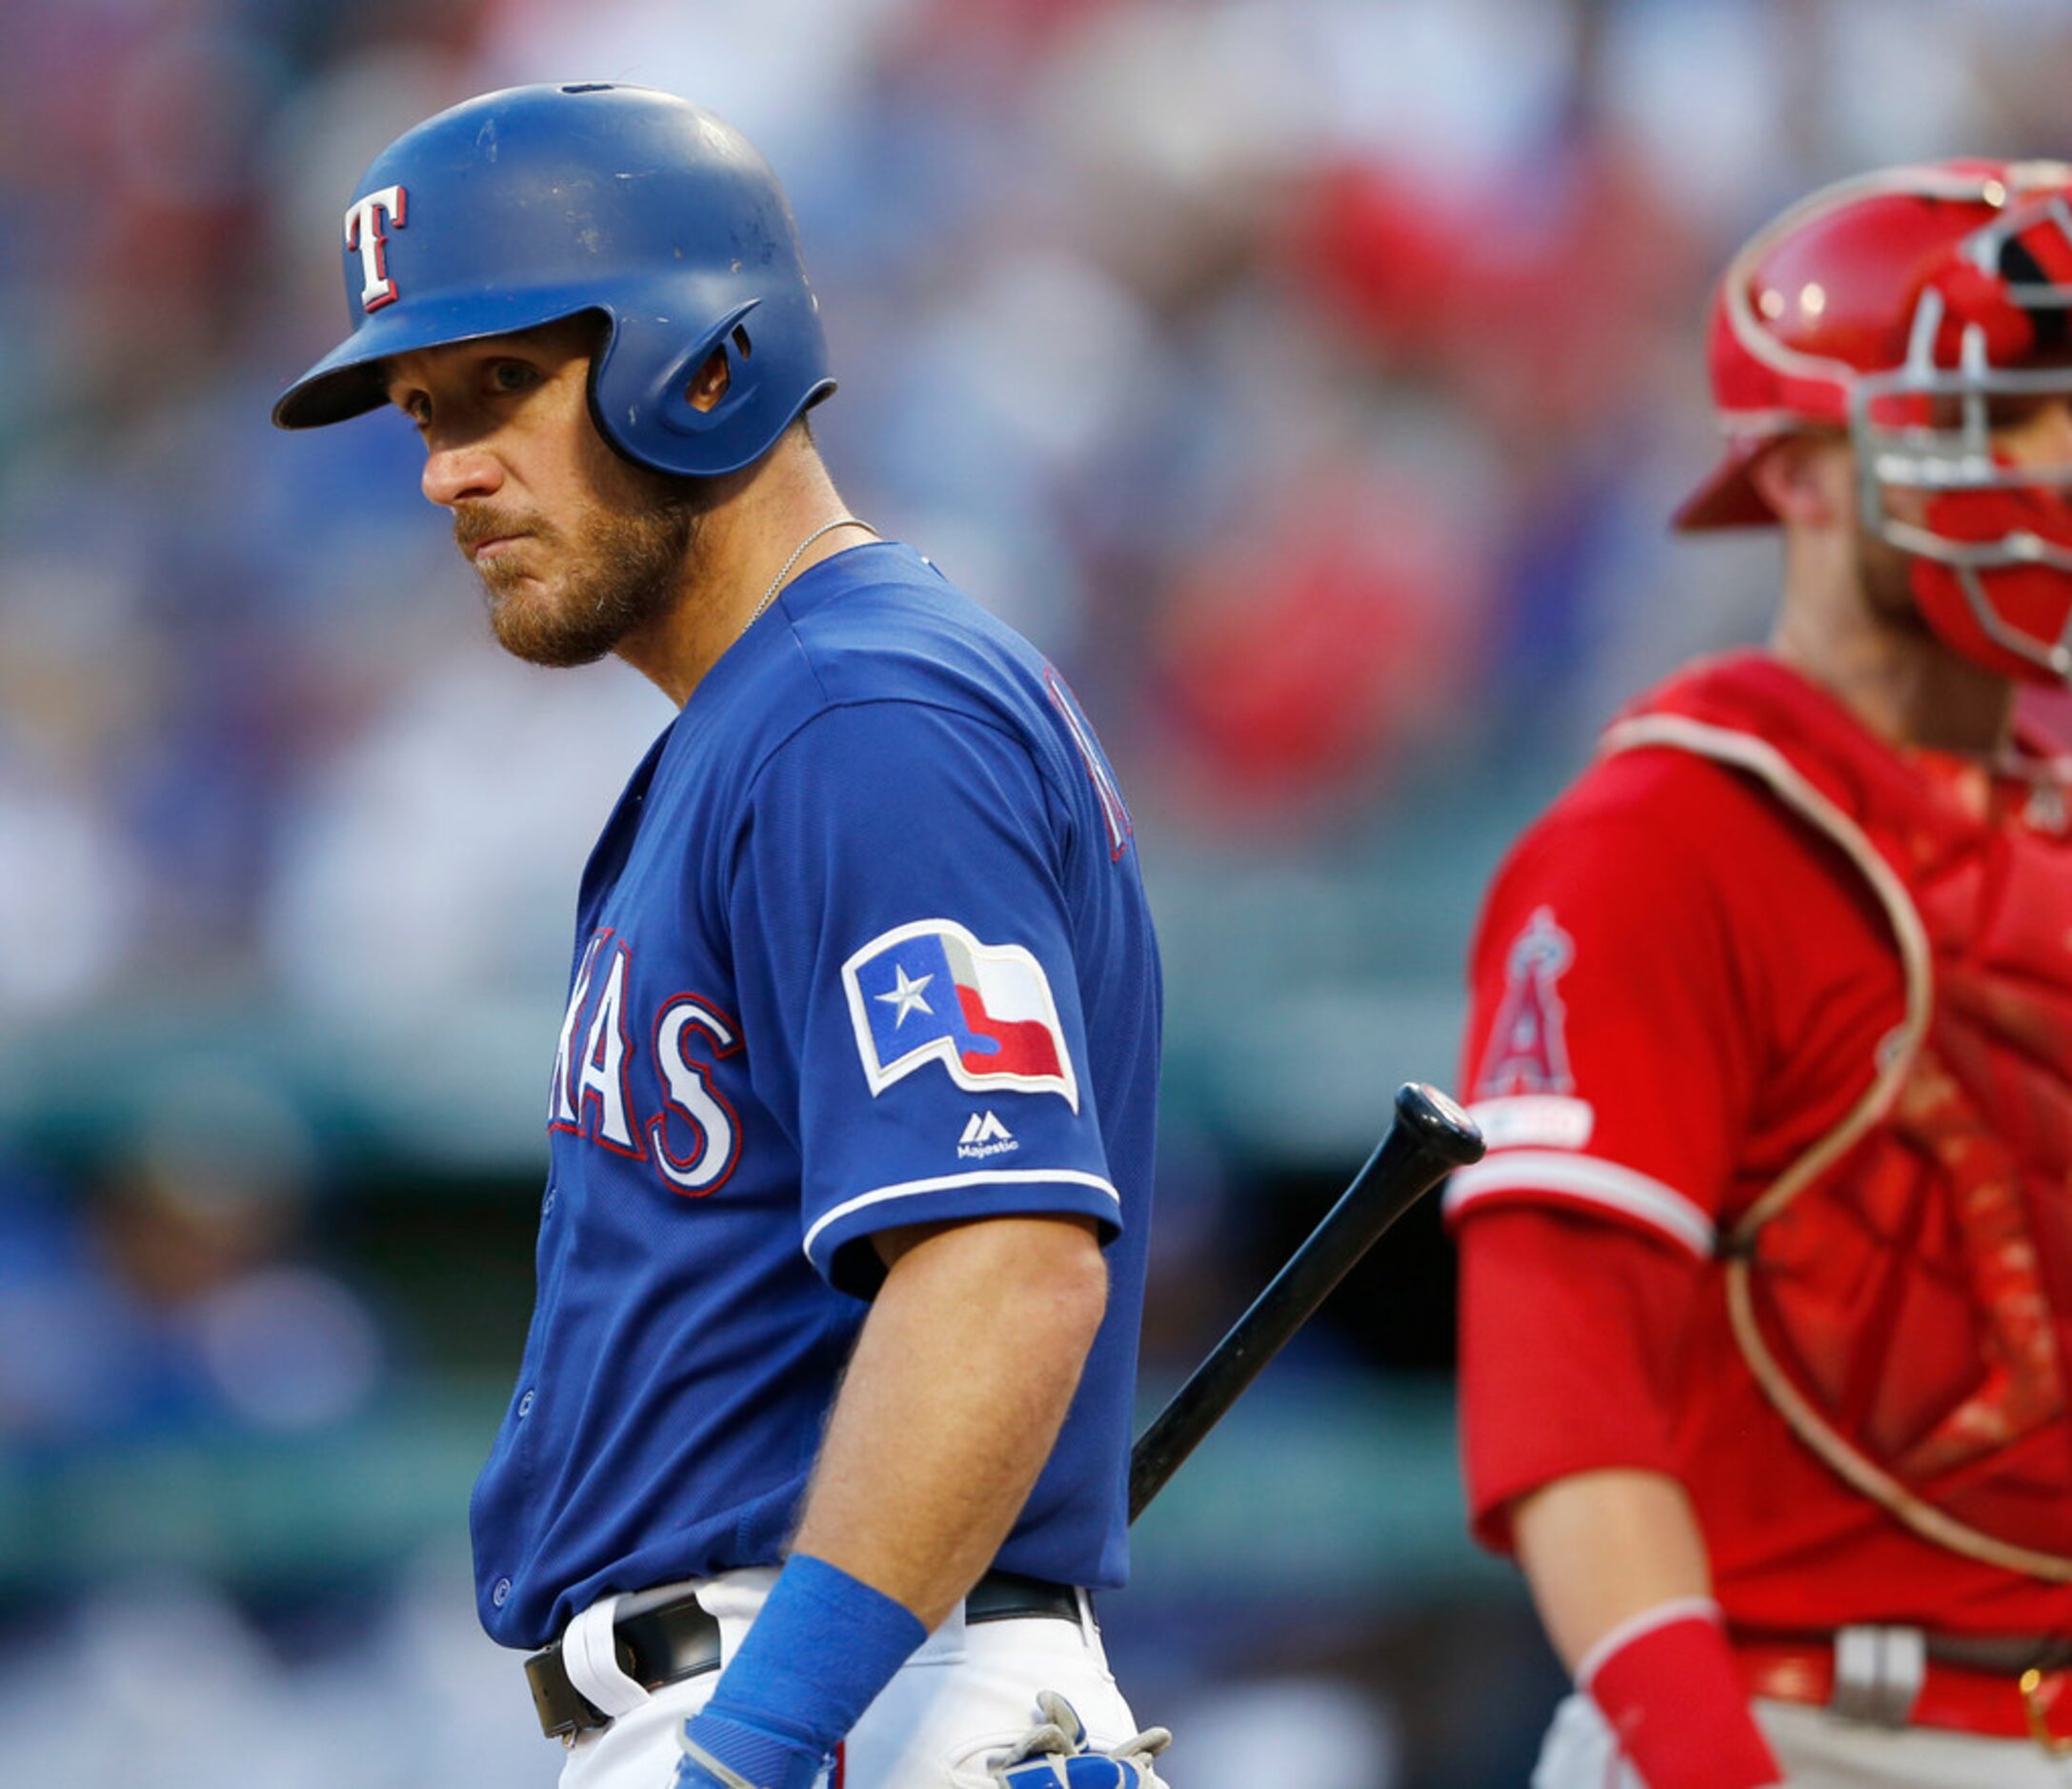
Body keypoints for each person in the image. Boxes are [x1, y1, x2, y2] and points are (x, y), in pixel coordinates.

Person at [272, 83, 1173, 1789]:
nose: (446, 468)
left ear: (703, 361)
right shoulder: (772, 721)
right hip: (820, 1695)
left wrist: (756, 1743)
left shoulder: (860, 709)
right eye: (416, 410)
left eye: (500, 386)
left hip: (835, 1714)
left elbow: (1003, 1257)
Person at [1448, 160, 2072, 1789]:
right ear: (1799, 466)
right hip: (1800, 1726)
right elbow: (1562, 1400)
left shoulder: (2051, 818)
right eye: (2010, 418)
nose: (2062, 469)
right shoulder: (1669, 835)